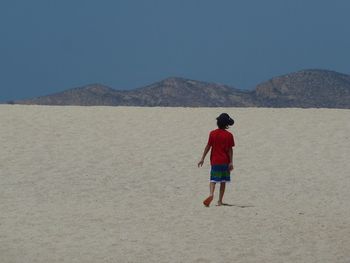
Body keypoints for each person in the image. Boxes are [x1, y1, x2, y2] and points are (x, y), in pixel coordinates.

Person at [198, 113, 235, 207]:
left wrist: (202, 158)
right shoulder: (229, 135)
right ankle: (220, 201)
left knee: (213, 180)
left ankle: (211, 194)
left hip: (215, 161)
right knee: (223, 181)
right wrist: (231, 162)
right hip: (225, 162)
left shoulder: (212, 133)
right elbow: (230, 150)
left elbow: (208, 146)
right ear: (227, 124)